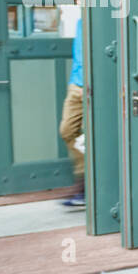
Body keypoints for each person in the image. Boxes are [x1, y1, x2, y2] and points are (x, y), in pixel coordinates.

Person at [59, 16, 85, 207]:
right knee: (67, 131)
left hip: (94, 87)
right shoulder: (79, 21)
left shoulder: (105, 17)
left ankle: (84, 187)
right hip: (76, 84)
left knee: (97, 136)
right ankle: (85, 180)